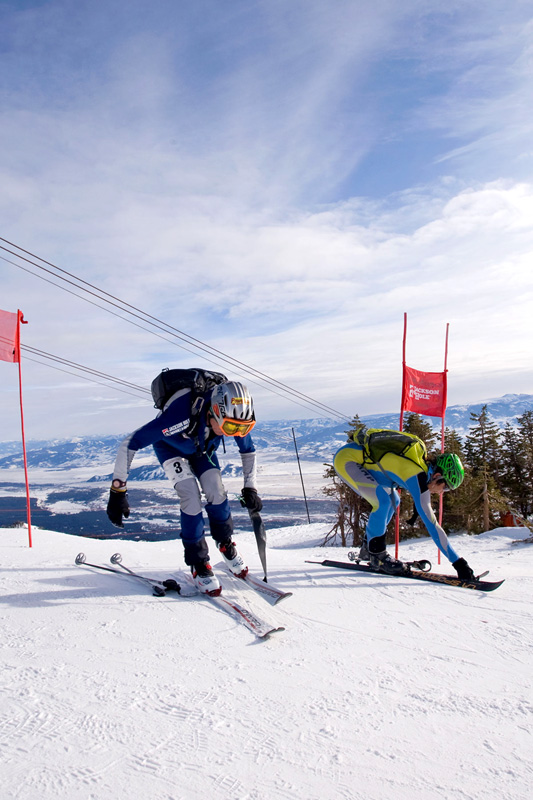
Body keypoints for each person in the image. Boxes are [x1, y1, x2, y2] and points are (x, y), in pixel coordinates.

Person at [106, 378, 262, 596]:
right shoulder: (179, 417)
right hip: (171, 448)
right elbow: (130, 443)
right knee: (190, 495)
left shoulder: (234, 417)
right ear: (214, 411)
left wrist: (250, 487)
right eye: (229, 426)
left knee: (216, 490)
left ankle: (225, 543)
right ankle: (199, 563)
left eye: (241, 428)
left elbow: (248, 450)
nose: (233, 433)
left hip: (202, 448)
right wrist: (117, 491)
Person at [333, 428, 476, 580]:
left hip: (357, 460)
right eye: (446, 487)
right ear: (438, 476)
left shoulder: (421, 472)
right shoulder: (417, 475)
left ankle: (368, 549)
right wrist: (458, 563)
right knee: (383, 502)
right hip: (348, 460)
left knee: (394, 500)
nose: (442, 492)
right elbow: (433, 525)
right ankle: (377, 555)